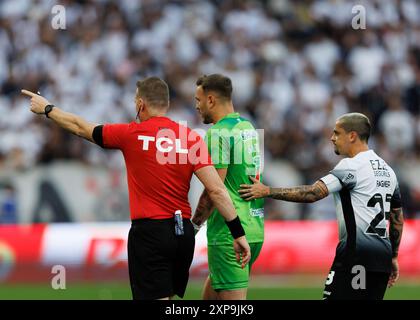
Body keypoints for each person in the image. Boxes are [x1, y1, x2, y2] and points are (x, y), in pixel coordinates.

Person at [21, 76, 251, 300]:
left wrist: (48, 109)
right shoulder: (190, 138)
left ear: (141, 104)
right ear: (167, 104)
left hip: (150, 233)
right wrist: (238, 233)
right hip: (182, 236)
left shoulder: (131, 133)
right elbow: (217, 190)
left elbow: (80, 127)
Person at [239, 113, 404, 300]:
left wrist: (267, 191)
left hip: (356, 258)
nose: (332, 138)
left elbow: (313, 193)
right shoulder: (388, 171)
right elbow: (397, 218)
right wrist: (393, 257)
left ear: (352, 136)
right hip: (381, 260)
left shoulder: (350, 166)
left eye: (337, 133)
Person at [192, 74, 264, 300]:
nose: (197, 106)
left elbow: (215, 189)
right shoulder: (246, 127)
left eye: (198, 100)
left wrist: (194, 225)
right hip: (254, 227)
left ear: (211, 100)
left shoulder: (218, 133)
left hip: (229, 233)